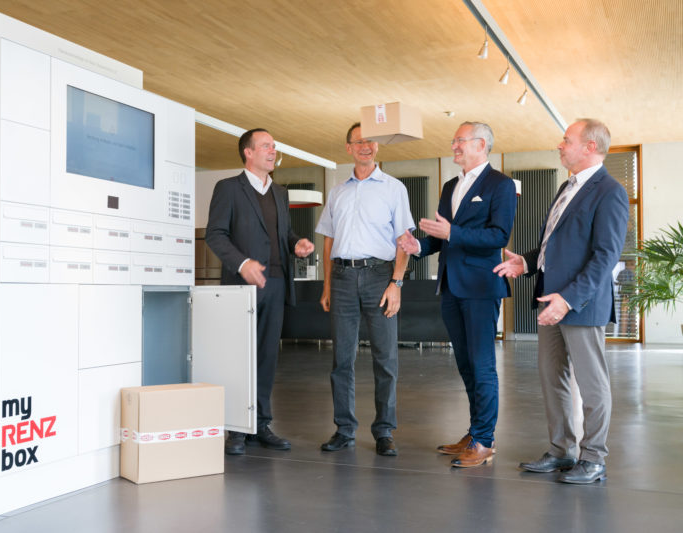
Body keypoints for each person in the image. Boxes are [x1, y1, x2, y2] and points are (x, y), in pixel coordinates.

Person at [494, 118, 628, 484]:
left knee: (592, 384)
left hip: (579, 304)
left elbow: (605, 256)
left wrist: (568, 300)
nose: (560, 145)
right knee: (552, 378)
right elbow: (556, 245)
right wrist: (526, 260)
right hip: (549, 299)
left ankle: (594, 458)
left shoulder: (609, 191)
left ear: (590, 147)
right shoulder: (566, 187)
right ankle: (562, 450)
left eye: (566, 140)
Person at [398, 121, 517, 468]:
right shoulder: (451, 184)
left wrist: (454, 231)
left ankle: (485, 440)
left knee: (482, 366)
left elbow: (498, 236)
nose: (454, 147)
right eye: (453, 142)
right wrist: (417, 245)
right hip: (450, 286)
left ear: (481, 144)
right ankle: (475, 431)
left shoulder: (501, 184)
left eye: (459, 141)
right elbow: (441, 238)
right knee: (466, 366)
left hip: (481, 288)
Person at [205, 128, 315, 455]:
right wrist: (242, 263)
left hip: (277, 283)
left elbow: (284, 233)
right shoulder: (228, 189)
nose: (273, 150)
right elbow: (216, 235)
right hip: (243, 286)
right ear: (248, 153)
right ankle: (237, 428)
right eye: (266, 146)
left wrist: (297, 243)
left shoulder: (281, 193)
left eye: (274, 146)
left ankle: (261, 423)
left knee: (267, 356)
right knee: (240, 356)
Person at [316, 122, 414, 457]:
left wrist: (396, 283)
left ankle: (384, 431)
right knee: (341, 358)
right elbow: (328, 240)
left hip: (379, 277)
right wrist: (327, 285)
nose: (365, 146)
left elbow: (405, 240)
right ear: (348, 148)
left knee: (385, 358)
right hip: (342, 278)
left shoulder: (393, 188)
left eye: (370, 141)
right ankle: (344, 429)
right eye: (358, 142)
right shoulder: (338, 191)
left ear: (378, 146)